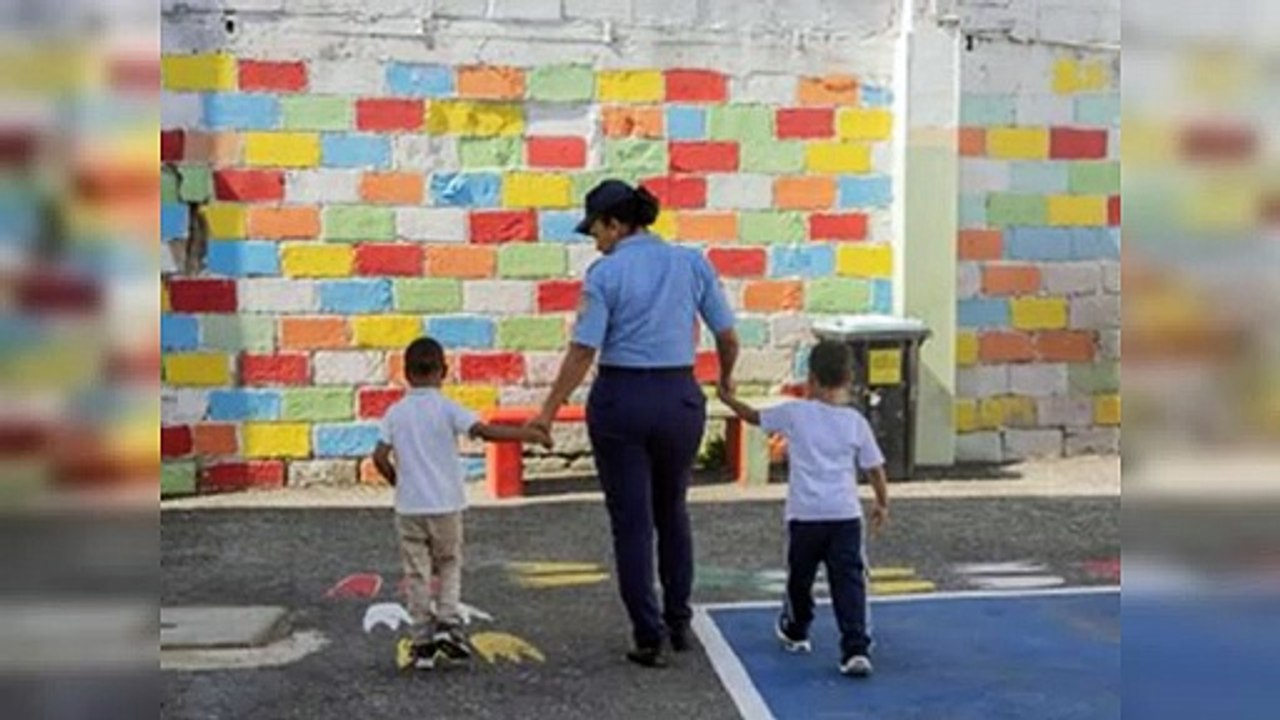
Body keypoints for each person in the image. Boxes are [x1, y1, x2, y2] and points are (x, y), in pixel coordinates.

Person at [527, 179, 739, 668]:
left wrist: (549, 411)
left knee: (632, 524)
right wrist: (725, 383)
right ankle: (679, 621)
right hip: (678, 396)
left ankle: (648, 635)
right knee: (673, 511)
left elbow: (584, 350)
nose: (594, 240)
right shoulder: (692, 262)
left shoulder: (605, 274)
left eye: (596, 230)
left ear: (616, 224)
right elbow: (727, 335)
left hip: (622, 399)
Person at [372, 337, 550, 664]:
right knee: (449, 563)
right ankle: (449, 625)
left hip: (409, 508)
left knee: (417, 571)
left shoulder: (395, 413)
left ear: (405, 373)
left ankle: (421, 636)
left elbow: (379, 456)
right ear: (444, 370)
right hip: (446, 505)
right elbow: (485, 432)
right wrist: (529, 435)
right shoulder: (448, 408)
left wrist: (398, 481)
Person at [718, 340, 890, 677]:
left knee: (800, 577)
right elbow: (874, 467)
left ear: (810, 377)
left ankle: (796, 628)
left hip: (805, 517)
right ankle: (855, 647)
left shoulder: (794, 413)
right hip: (844, 516)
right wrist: (882, 502)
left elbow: (753, 416)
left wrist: (727, 398)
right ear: (849, 378)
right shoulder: (855, 422)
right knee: (849, 581)